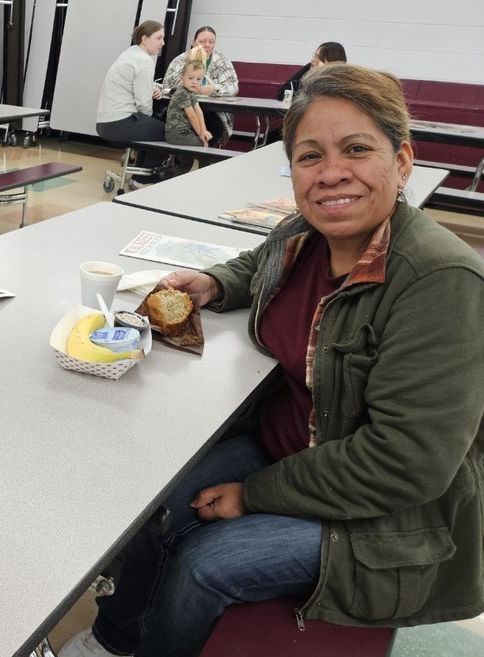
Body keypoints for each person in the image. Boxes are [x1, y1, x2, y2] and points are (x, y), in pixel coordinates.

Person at [60, 63, 484, 657]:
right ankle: (114, 640)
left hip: (387, 512)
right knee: (153, 508)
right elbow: (260, 264)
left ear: (403, 160)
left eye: (357, 149)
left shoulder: (440, 281)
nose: (331, 172)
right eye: (310, 156)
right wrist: (211, 283)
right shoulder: (304, 234)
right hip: (293, 446)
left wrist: (255, 494)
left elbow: (406, 463)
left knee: (205, 562)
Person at [95, 21, 168, 185]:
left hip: (105, 123)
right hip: (121, 122)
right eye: (159, 38)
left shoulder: (130, 53)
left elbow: (129, 84)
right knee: (167, 132)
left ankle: (138, 176)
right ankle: (143, 177)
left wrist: (152, 88)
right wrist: (148, 117)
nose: (162, 43)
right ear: (144, 39)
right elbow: (143, 104)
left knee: (150, 129)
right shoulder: (144, 61)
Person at [162, 26, 239, 146]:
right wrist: (186, 86)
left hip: (212, 113)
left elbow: (233, 87)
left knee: (214, 129)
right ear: (193, 42)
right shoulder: (181, 60)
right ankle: (178, 162)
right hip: (180, 111)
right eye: (202, 41)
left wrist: (213, 89)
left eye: (211, 42)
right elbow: (167, 85)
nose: (207, 45)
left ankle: (205, 160)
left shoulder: (222, 61)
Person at [277, 42, 347, 101]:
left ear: (332, 63)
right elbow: (282, 94)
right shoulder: (309, 68)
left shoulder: (342, 82)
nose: (313, 60)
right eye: (314, 56)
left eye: (319, 58)